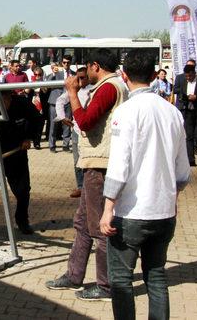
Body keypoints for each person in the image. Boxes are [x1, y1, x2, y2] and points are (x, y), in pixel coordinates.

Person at [100, 49, 190, 320]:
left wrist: (108, 208)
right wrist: (169, 196)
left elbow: (119, 167)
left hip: (131, 214)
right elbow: (183, 172)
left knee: (120, 280)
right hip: (164, 212)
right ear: (153, 75)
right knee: (157, 277)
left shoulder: (125, 113)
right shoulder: (173, 113)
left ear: (124, 75)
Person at [46, 48, 128, 301]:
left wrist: (71, 92)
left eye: (87, 69)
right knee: (82, 223)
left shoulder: (108, 87)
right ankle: (74, 275)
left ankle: (105, 286)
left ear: (95, 66)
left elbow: (85, 121)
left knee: (99, 227)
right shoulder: (108, 86)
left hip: (101, 166)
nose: (84, 75)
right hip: (93, 164)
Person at [0, 90, 42, 241]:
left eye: (2, 102)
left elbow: (38, 119)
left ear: (9, 98)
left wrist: (29, 138)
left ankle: (22, 220)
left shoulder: (22, 104)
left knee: (23, 191)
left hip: (16, 153)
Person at [55, 67, 92, 198]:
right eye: (78, 78)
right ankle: (81, 187)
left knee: (90, 161)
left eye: (82, 77)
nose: (80, 80)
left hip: (91, 131)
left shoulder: (94, 89)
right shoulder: (73, 90)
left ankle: (90, 187)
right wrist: (62, 117)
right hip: (76, 130)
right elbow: (59, 101)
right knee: (77, 160)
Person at [174, 64, 197, 168]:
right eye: (186, 76)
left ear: (194, 73)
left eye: (190, 76)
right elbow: (180, 94)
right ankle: (191, 160)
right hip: (188, 112)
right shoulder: (184, 82)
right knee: (189, 136)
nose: (188, 78)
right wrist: (185, 98)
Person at [47, 55, 75, 153]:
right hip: (55, 101)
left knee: (67, 124)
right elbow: (47, 82)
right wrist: (53, 74)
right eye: (64, 62)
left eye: (68, 62)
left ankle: (66, 145)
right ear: (61, 63)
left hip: (68, 102)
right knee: (53, 125)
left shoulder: (74, 74)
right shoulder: (56, 72)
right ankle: (52, 145)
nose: (66, 64)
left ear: (70, 62)